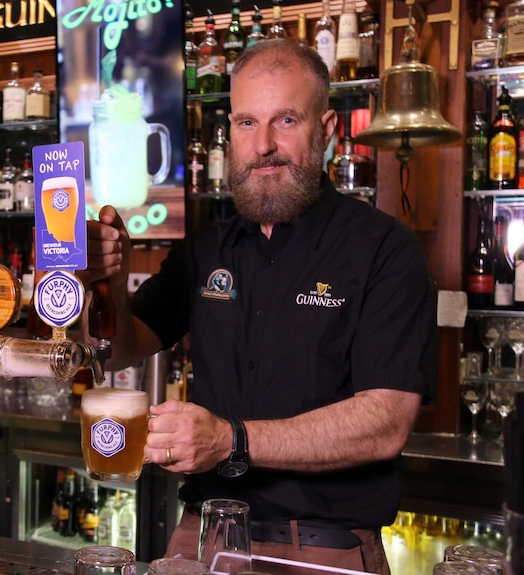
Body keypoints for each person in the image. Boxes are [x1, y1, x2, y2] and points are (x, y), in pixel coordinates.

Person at [81, 39, 437, 574]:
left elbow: (385, 421)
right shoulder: (205, 248)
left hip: (323, 549)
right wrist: (99, 285)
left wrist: (231, 440)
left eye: (286, 120)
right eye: (247, 123)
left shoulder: (384, 249)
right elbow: (117, 350)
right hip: (201, 538)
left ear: (329, 130)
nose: (263, 145)